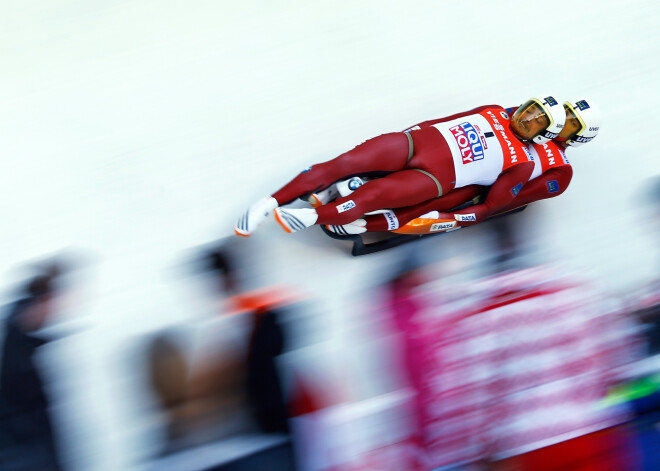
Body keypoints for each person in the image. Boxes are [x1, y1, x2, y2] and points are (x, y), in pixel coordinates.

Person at [234, 96, 566, 236]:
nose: (527, 117)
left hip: (433, 179)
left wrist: (450, 218)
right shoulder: (495, 110)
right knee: (345, 162)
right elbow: (445, 120)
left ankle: (309, 217)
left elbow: (491, 204)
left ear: (542, 134)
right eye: (529, 109)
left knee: (371, 196)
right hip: (414, 144)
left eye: (536, 120)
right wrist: (411, 133)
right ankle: (267, 203)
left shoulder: (522, 163)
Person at [325, 98, 601, 234]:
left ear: (579, 136)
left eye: (572, 123)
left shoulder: (561, 170)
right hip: (461, 153)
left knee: (454, 192)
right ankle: (362, 180)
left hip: (483, 182)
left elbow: (518, 195)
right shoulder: (529, 118)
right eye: (564, 115)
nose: (564, 122)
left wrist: (471, 213)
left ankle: (365, 222)